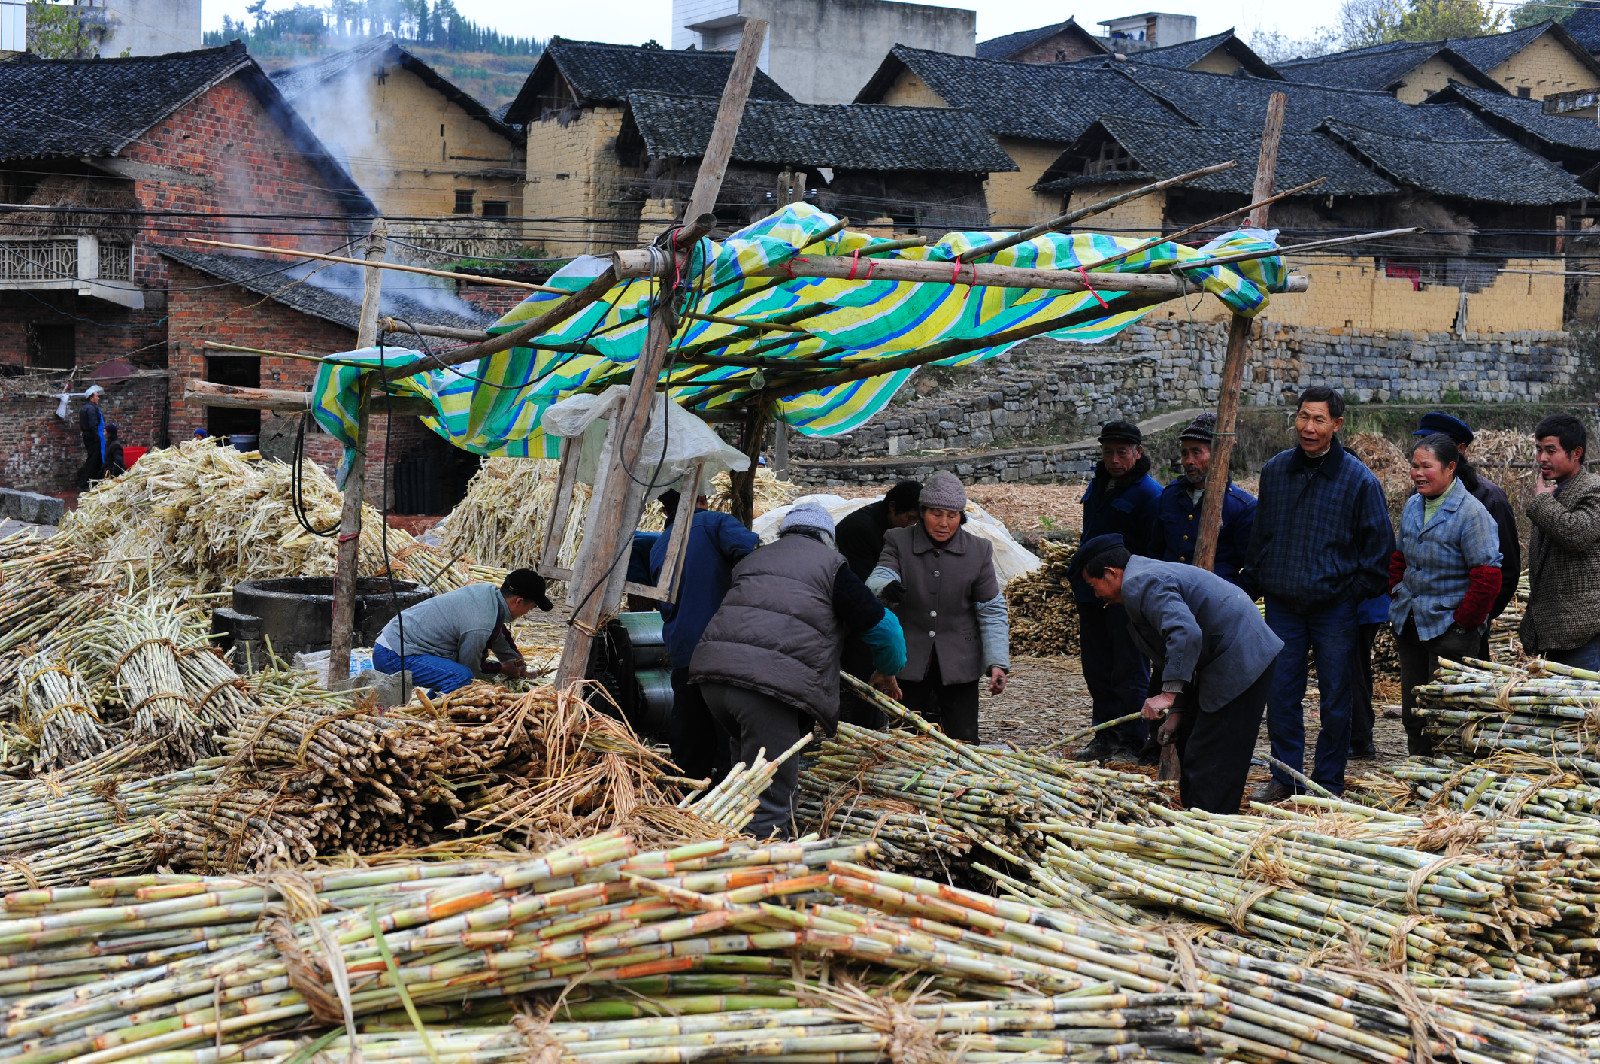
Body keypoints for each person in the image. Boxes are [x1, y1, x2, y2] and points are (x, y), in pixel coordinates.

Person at [690, 502, 907, 839]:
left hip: (713, 679)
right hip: (767, 688)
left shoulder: (754, 558)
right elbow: (886, 629)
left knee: (742, 778)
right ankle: (768, 876)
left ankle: (725, 852)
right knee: (770, 797)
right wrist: (887, 670)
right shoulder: (832, 567)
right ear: (828, 539)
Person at [1243, 386, 1393, 800]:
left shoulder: (1358, 480)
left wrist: (1348, 593)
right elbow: (1262, 536)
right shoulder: (1276, 471)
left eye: (1319, 420)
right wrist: (1250, 583)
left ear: (1337, 425)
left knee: (1336, 698)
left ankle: (1328, 782)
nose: (1308, 428)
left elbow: (1380, 551)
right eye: (1303, 418)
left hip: (1334, 609)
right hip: (1283, 605)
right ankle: (1286, 777)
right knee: (1282, 693)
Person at [1074, 533, 1282, 813]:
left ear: (1111, 573)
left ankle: (1214, 828)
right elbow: (1174, 653)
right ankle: (1200, 818)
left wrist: (1168, 695)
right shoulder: (1141, 581)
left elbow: (1185, 634)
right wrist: (1178, 712)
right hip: (1218, 658)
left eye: (1093, 584)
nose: (1095, 594)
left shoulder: (1143, 583)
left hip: (1241, 655)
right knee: (1190, 743)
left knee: (1211, 754)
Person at [868, 472, 1009, 743]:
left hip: (960, 661)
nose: (944, 523)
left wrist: (997, 662)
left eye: (952, 515)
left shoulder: (978, 550)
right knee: (909, 740)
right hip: (909, 659)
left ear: (961, 517)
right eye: (936, 514)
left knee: (963, 740)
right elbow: (881, 574)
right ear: (922, 512)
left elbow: (991, 609)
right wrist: (885, 586)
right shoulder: (898, 540)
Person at [1388, 433, 1502, 755]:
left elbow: (1487, 576)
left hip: (1450, 628)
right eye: (1414, 466)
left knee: (1449, 709)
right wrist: (1396, 593)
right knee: (1415, 704)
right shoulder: (1413, 505)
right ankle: (1419, 766)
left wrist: (1464, 621)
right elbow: (1401, 557)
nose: (1418, 473)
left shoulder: (1471, 513)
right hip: (1410, 620)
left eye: (1427, 466)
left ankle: (1451, 773)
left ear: (1451, 468)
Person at [648, 487, 760, 785]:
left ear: (665, 513)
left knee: (690, 726)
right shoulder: (715, 522)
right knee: (728, 729)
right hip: (723, 644)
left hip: (683, 649)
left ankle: (688, 791)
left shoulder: (659, 545)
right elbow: (752, 556)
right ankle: (728, 791)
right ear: (702, 500)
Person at [1071, 420, 1161, 760]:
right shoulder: (1099, 485)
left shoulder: (1149, 494)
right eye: (1108, 452)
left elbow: (1151, 550)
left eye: (1122, 452)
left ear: (1137, 453)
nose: (1114, 459)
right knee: (1097, 667)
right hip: (1091, 591)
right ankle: (1104, 736)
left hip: (1126, 596)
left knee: (1129, 668)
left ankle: (1131, 740)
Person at [1412, 412, 1521, 657]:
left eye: (1436, 444)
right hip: (1418, 623)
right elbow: (1406, 558)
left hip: (1460, 629)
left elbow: (1506, 571)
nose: (1426, 451)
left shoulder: (1487, 500)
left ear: (1459, 451)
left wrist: (1469, 621)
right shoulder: (1418, 497)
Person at [373, 569, 553, 693]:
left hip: (397, 643)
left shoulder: (486, 593)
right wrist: (502, 668)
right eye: (531, 608)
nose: (526, 614)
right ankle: (432, 718)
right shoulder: (481, 625)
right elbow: (473, 668)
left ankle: (432, 707)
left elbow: (497, 633)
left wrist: (518, 665)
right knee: (462, 677)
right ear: (519, 601)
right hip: (394, 654)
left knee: (455, 672)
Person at [835, 480, 921, 728]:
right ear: (892, 507)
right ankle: (860, 730)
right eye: (909, 517)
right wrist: (885, 589)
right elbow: (858, 589)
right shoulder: (859, 529)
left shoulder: (900, 530)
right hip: (858, 615)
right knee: (861, 678)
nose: (912, 524)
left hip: (880, 614)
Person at [1521, 413, 1600, 671]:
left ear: (1576, 453)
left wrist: (1542, 502)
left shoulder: (1593, 488)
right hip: (1554, 632)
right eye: (1539, 450)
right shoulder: (1556, 490)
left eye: (1551, 451)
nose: (1542, 458)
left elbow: (1578, 534)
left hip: (1584, 633)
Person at [1149, 413, 1257, 591]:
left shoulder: (1242, 507)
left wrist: (1229, 598)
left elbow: (1254, 570)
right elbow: (1155, 550)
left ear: (1217, 454)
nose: (1188, 461)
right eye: (1185, 454)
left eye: (1196, 452)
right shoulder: (1171, 495)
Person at [78, 385, 106, 489]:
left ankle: (92, 482)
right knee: (93, 460)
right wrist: (98, 438)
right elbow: (92, 425)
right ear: (91, 398)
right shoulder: (91, 409)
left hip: (88, 436)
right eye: (96, 396)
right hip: (93, 437)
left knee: (94, 459)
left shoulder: (85, 408)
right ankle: (84, 483)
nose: (98, 398)